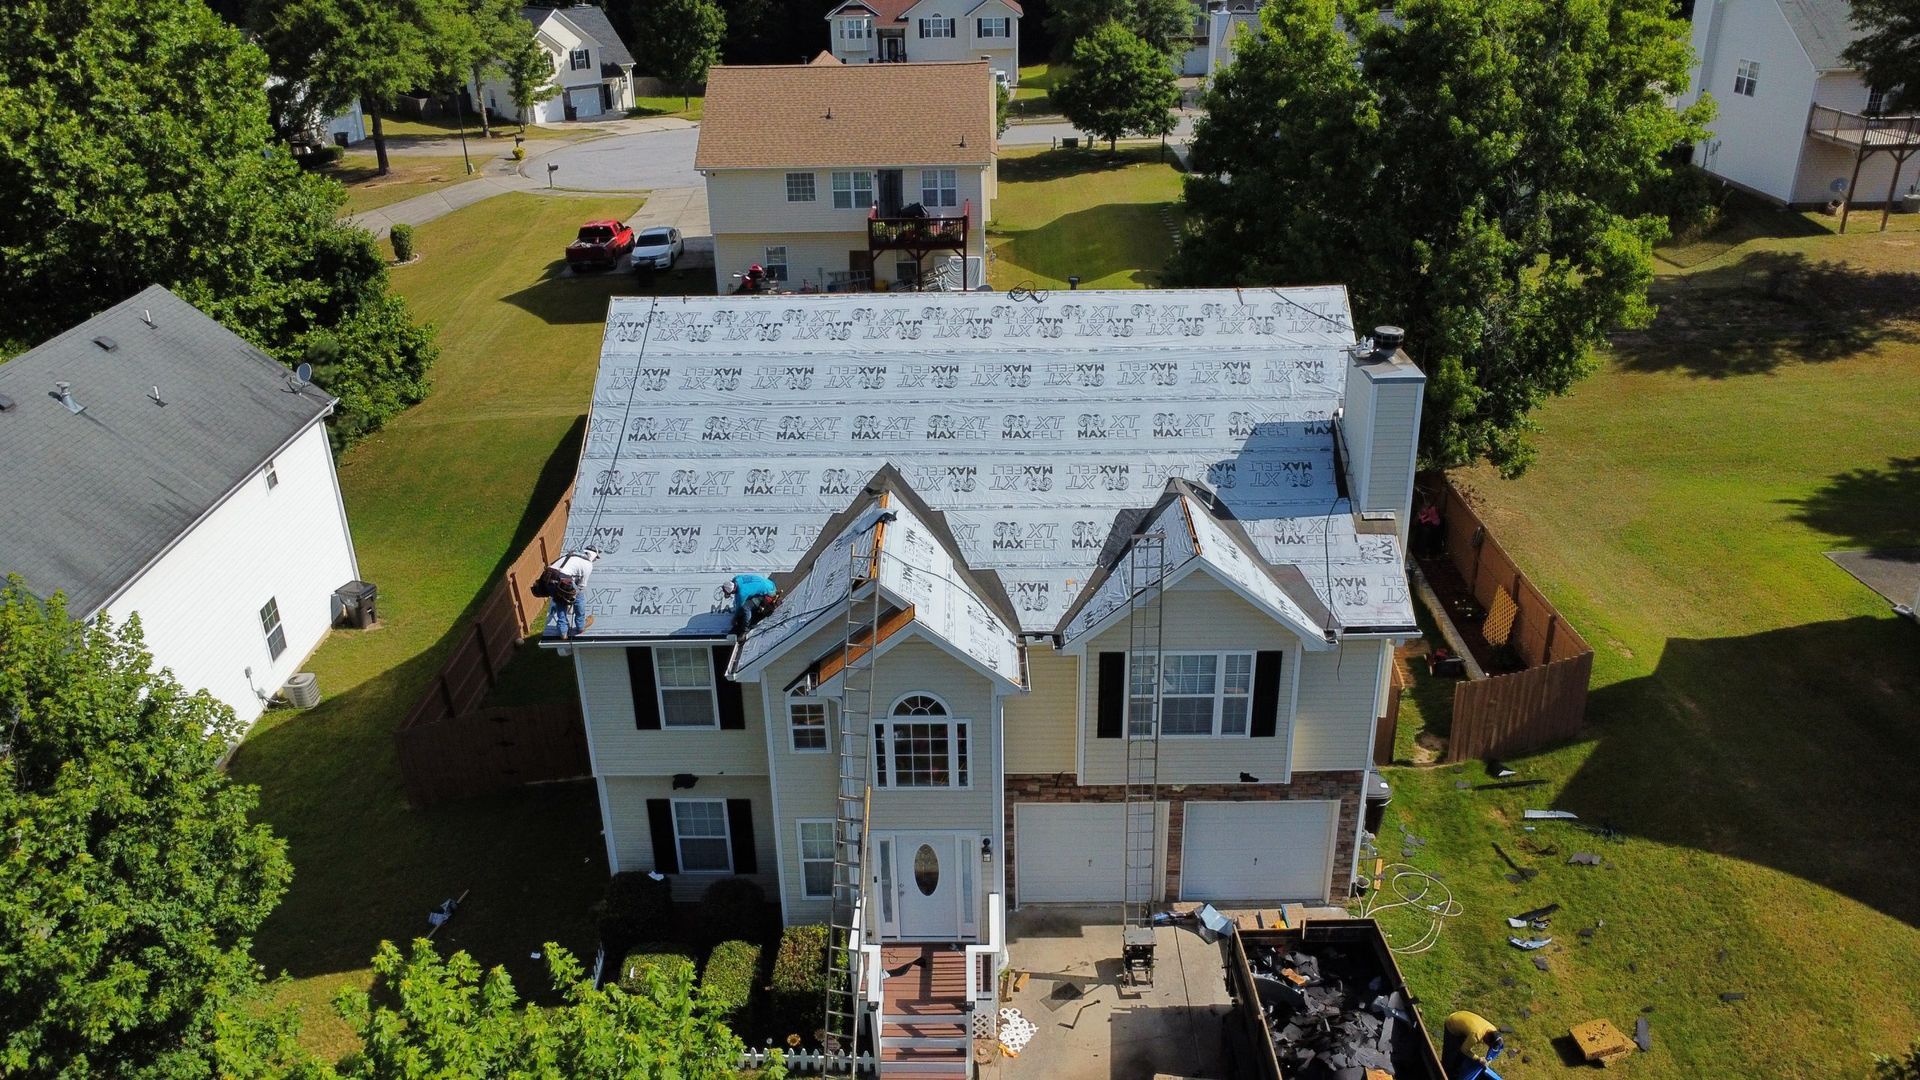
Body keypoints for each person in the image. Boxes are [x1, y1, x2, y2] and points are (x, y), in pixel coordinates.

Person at [546, 547, 599, 640]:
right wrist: (574, 596)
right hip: (563, 579)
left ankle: (563, 632)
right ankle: (580, 626)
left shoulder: (569, 556)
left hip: (548, 579)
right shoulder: (588, 564)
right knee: (579, 598)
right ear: (593, 557)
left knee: (560, 600)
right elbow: (581, 586)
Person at [1442, 1011, 1504, 1077]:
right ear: (1487, 1037)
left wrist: (1488, 1060)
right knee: (1450, 1052)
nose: (1487, 1045)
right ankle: (1443, 1070)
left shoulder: (1492, 1029)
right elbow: (1464, 1050)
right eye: (1488, 1043)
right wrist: (1478, 1058)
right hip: (1452, 1023)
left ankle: (1455, 1069)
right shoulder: (1476, 1035)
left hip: (1463, 1016)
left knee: (1462, 1052)